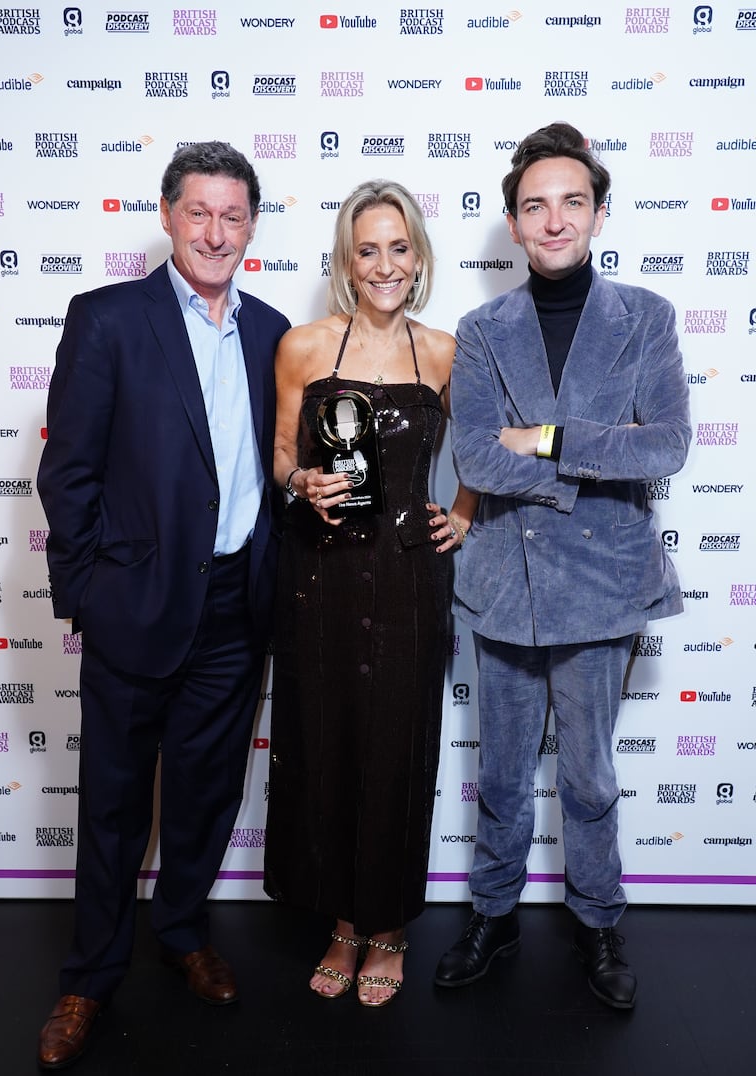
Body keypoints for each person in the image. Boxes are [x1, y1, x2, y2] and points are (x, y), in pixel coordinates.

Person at [35, 141, 290, 1068]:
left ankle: (182, 932)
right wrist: (87, 600)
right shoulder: (107, 319)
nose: (215, 231)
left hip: (234, 606)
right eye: (199, 212)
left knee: (205, 790)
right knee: (109, 804)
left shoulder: (272, 334)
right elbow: (67, 475)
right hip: (131, 605)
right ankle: (89, 977)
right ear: (168, 215)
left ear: (251, 225)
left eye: (233, 215)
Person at [434, 123, 691, 1009]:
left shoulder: (646, 317)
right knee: (501, 773)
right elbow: (473, 458)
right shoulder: (481, 327)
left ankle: (598, 921)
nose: (554, 220)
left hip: (606, 584)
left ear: (599, 212)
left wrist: (546, 441)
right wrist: (586, 466)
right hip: (505, 582)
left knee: (588, 776)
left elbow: (667, 444)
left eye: (571, 202)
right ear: (511, 221)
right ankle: (493, 914)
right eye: (535, 205)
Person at [264, 180, 477, 1007]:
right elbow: (280, 450)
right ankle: (344, 924)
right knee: (327, 745)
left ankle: (387, 928)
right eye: (367, 249)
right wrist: (300, 482)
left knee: (397, 747)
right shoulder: (304, 348)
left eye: (399, 247)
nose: (384, 265)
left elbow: (491, 455)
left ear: (418, 255)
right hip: (318, 576)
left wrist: (462, 513)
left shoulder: (446, 351)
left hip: (407, 580)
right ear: (346, 261)